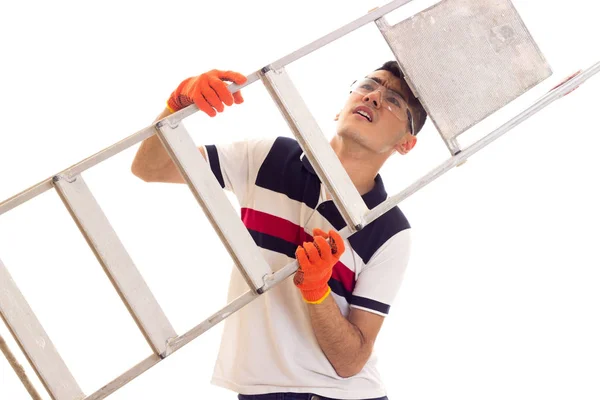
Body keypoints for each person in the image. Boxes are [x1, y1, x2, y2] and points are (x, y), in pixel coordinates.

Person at [130, 60, 428, 400]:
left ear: (405, 143)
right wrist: (176, 106)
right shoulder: (268, 157)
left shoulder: (389, 229)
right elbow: (149, 167)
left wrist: (317, 291)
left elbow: (351, 361)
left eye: (394, 101)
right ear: (341, 108)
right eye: (368, 85)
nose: (374, 96)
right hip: (259, 392)